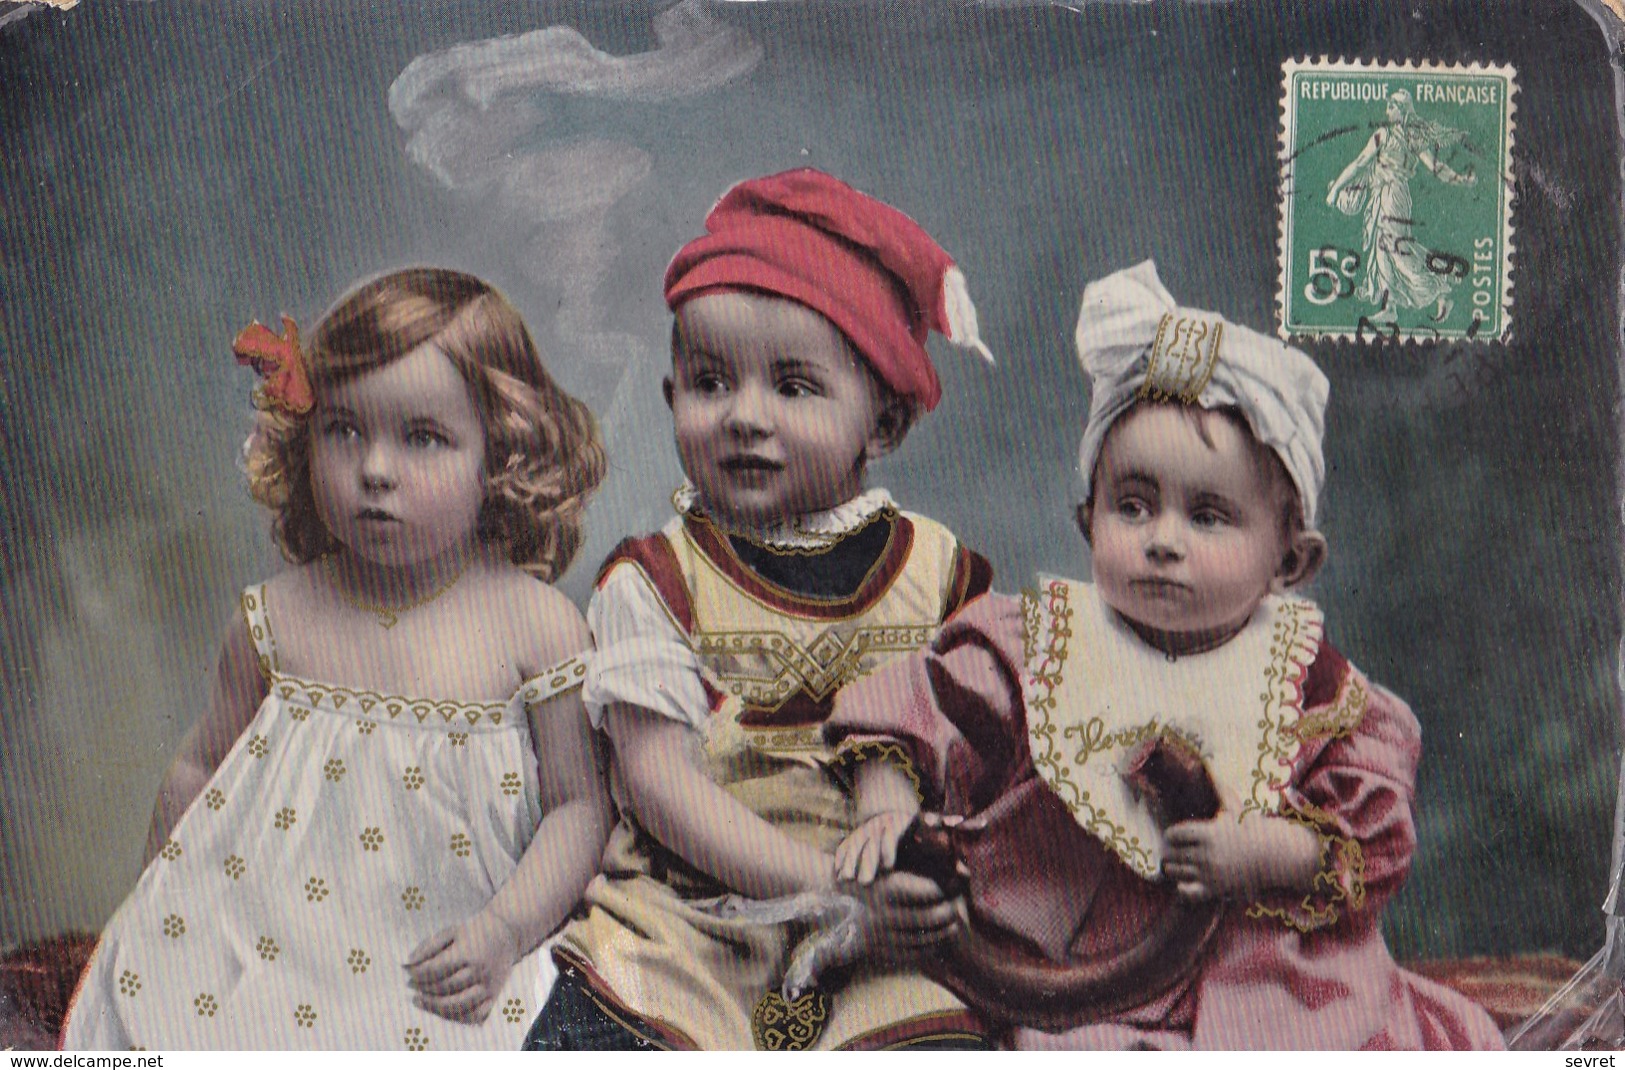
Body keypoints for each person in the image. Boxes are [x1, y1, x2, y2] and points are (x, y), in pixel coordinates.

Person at [827, 260, 1506, 1049]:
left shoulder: (1311, 690)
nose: (1161, 541)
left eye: (1208, 516)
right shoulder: (1035, 645)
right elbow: (907, 706)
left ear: (1289, 563)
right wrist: (884, 808)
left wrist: (1260, 852)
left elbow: (1365, 842)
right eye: (1133, 506)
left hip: (1256, 976)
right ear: (1088, 522)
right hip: (1059, 960)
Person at [63, 268, 612, 1050]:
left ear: (501, 454)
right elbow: (198, 769)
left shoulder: (537, 627)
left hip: (447, 954)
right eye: (344, 430)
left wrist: (503, 932)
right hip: (258, 941)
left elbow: (580, 807)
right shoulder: (278, 617)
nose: (375, 469)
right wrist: (160, 907)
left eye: (422, 437)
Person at [523, 168, 997, 1051]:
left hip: (879, 919)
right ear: (671, 402)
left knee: (931, 1034)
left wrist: (891, 853)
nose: (745, 416)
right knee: (617, 1026)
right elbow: (659, 784)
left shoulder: (935, 573)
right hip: (695, 914)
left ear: (882, 426)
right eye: (710, 383)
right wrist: (825, 884)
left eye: (793, 386)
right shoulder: (653, 580)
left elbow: (935, 739)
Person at [1326, 89, 1478, 325]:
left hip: (1393, 196)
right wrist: (1459, 179)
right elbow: (1436, 168)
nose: (1387, 110)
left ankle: (1440, 288)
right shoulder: (1406, 138)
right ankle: (1390, 307)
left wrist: (1336, 189)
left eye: (1392, 106)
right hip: (1385, 195)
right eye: (1388, 105)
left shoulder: (1388, 136)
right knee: (1384, 249)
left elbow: (1359, 164)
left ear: (1403, 110)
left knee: (1397, 250)